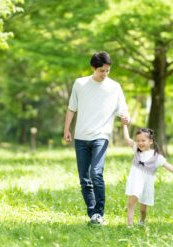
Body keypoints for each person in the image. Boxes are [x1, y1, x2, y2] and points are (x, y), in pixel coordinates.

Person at [63, 51, 129, 225]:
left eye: (108, 70)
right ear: (93, 68)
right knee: (84, 178)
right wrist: (67, 129)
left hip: (101, 136)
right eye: (102, 71)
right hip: (81, 136)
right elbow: (72, 108)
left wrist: (125, 118)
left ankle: (99, 212)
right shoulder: (80, 84)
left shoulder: (114, 87)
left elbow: (123, 109)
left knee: (96, 174)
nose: (105, 74)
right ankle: (93, 213)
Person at [123, 124, 173, 226]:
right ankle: (129, 225)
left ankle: (142, 221)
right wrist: (124, 125)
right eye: (138, 141)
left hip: (147, 184)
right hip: (136, 181)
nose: (140, 143)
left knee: (143, 209)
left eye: (143, 140)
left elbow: (168, 166)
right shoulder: (136, 150)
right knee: (131, 203)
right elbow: (127, 139)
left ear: (150, 141)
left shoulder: (156, 157)